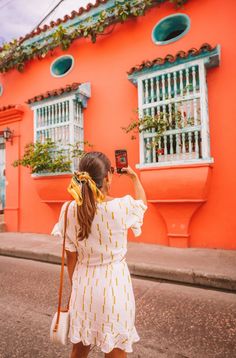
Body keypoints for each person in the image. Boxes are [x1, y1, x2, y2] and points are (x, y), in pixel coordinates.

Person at [52, 151, 147, 358]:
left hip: (84, 287)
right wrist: (134, 177)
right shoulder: (121, 207)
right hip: (115, 288)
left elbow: (71, 257)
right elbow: (142, 204)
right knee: (115, 351)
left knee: (79, 350)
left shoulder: (68, 209)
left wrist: (75, 288)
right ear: (107, 177)